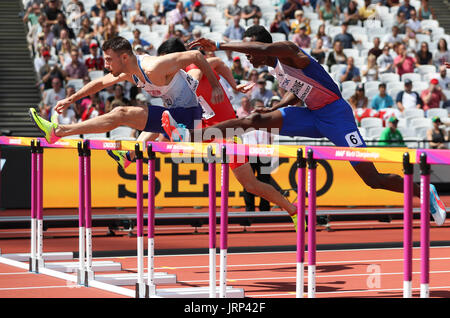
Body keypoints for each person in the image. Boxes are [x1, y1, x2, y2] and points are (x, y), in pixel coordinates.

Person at [167, 25, 446, 226]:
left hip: (336, 116)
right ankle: (192, 135)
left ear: (263, 47)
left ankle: (425, 192)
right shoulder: (276, 69)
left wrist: (222, 45)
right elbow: (299, 91)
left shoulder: (289, 51)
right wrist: (276, 106)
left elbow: (263, 48)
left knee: (373, 180)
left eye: (252, 54)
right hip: (312, 116)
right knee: (255, 120)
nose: (250, 59)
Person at [110, 38, 300, 228]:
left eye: (166, 61)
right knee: (162, 117)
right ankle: (130, 154)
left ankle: (292, 210)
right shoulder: (171, 82)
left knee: (251, 185)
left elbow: (218, 63)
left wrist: (231, 86)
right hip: (203, 130)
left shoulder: (195, 68)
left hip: (227, 131)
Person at [29, 36, 225, 154]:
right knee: (125, 115)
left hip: (190, 116)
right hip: (174, 116)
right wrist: (70, 99)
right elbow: (99, 82)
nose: (105, 66)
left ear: (124, 57)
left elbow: (197, 56)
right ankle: (132, 154)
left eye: (108, 60)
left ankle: (59, 131)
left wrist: (216, 86)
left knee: (124, 113)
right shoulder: (128, 74)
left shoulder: (153, 66)